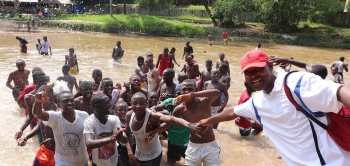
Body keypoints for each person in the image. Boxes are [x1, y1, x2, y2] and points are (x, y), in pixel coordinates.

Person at [198, 49, 350, 165]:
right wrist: (206, 122)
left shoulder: (295, 83)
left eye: (258, 69)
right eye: (248, 73)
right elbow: (232, 112)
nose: (254, 76)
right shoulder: (258, 102)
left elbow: (340, 92)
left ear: (270, 66)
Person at [124, 92, 202, 166]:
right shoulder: (129, 115)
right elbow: (127, 134)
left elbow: (171, 119)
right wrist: (130, 153)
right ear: (131, 104)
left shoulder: (152, 116)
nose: (138, 106)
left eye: (141, 103)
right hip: (138, 153)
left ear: (146, 104)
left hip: (154, 155)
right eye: (135, 103)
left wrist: (190, 125)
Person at [33, 90, 90, 165]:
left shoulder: (84, 115)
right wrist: (38, 101)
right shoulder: (55, 117)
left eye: (71, 100)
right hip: (63, 161)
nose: (69, 103)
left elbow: (90, 135)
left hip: (82, 160)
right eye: (65, 101)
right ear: (58, 105)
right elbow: (38, 114)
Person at [17, 85, 58, 166]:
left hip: (59, 153)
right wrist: (26, 137)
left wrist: (54, 139)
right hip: (44, 151)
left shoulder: (58, 111)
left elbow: (69, 132)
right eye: (40, 99)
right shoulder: (41, 111)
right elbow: (39, 126)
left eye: (45, 98)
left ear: (52, 97)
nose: (42, 101)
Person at [84, 94, 128, 166]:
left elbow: (125, 140)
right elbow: (89, 143)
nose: (110, 104)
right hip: (98, 164)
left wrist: (120, 136)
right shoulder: (89, 122)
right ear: (97, 106)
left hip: (115, 162)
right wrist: (111, 138)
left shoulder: (114, 119)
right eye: (107, 103)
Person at [152, 97, 190, 164]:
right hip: (172, 141)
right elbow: (157, 107)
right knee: (170, 162)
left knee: (191, 163)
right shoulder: (172, 101)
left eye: (190, 89)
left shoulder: (197, 105)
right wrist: (153, 109)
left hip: (187, 143)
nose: (186, 91)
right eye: (184, 89)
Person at [14, 70, 47, 143]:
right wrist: (21, 129)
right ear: (35, 82)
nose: (44, 85)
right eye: (41, 82)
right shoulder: (29, 97)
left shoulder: (50, 92)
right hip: (40, 127)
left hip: (54, 126)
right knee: (42, 145)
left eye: (45, 82)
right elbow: (30, 115)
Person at [113, 101, 132, 166]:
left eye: (125, 109)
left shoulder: (132, 120)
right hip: (121, 150)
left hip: (133, 147)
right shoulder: (114, 123)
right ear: (115, 112)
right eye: (120, 110)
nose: (123, 112)